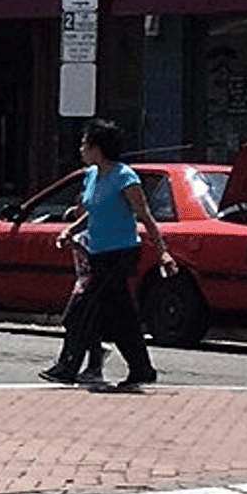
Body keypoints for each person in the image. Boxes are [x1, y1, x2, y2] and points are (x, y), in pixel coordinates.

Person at [66, 118, 176, 393]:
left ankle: (67, 366)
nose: (81, 149)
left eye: (85, 144)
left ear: (97, 148)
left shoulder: (125, 177)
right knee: (121, 315)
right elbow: (94, 212)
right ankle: (141, 368)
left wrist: (163, 252)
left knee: (84, 308)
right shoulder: (92, 175)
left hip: (121, 252)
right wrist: (70, 229)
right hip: (97, 252)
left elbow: (145, 216)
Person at [36, 205, 106, 385]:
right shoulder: (80, 232)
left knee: (74, 320)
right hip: (83, 281)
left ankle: (69, 366)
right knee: (86, 324)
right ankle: (92, 363)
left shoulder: (94, 233)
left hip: (90, 282)